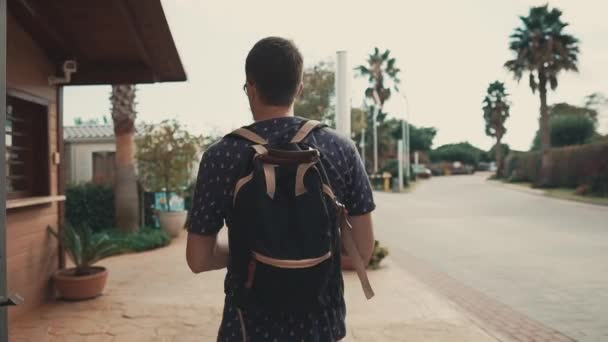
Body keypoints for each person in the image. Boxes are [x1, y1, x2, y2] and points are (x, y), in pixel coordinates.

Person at [186, 36, 376, 342]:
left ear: (251, 87)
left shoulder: (221, 156)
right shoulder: (340, 148)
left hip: (247, 328)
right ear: (299, 88)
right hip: (321, 326)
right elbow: (363, 249)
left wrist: (254, 252)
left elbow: (198, 259)